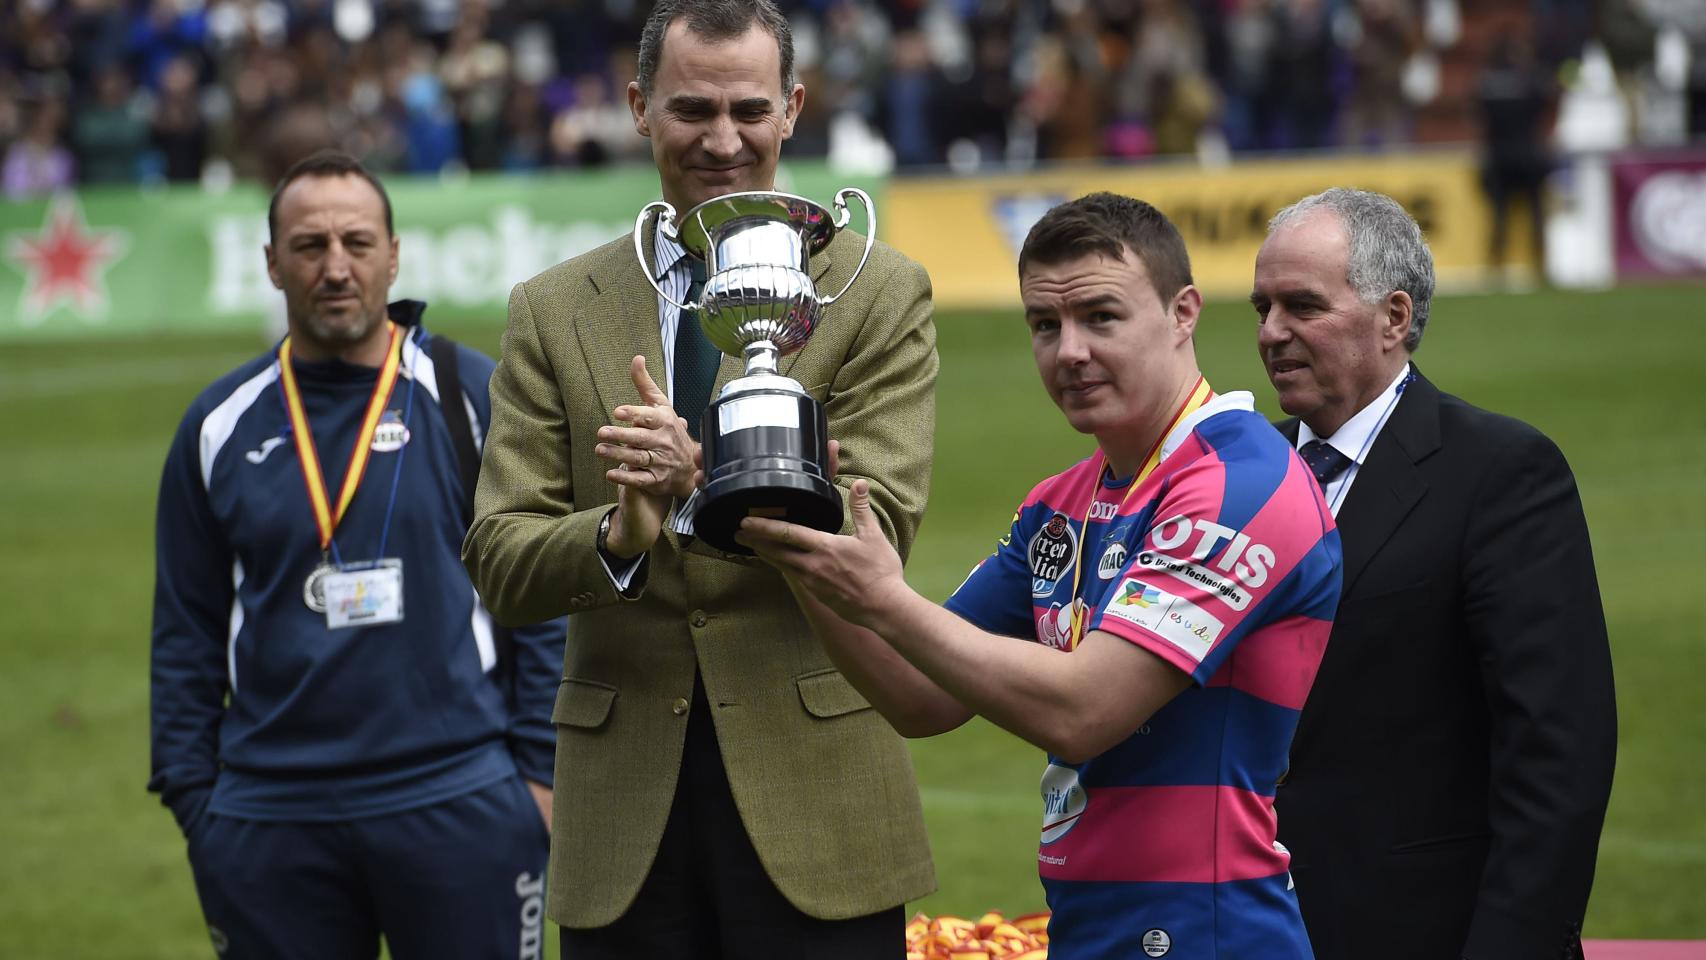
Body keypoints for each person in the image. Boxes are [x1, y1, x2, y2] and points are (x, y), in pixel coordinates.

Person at [739, 192, 1343, 960]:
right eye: (1044, 324)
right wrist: (798, 537)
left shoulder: (1241, 482)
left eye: (1101, 317)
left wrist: (887, 600)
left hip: (1208, 936)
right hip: (1093, 933)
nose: (1069, 352)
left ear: (1183, 312)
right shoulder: (1060, 506)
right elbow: (918, 695)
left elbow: (1085, 710)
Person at [459, 1, 938, 957]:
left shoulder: (876, 291)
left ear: (794, 108)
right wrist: (619, 535)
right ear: (639, 107)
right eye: (692, 110)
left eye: (749, 110)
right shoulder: (554, 310)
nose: (723, 139)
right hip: (623, 818)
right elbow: (499, 558)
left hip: (822, 803)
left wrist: (697, 483)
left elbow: (877, 524)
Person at [149, 151, 565, 960]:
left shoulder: (470, 397)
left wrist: (539, 787)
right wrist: (206, 813)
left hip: (460, 804)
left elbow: (541, 597)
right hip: (271, 820)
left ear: (394, 254)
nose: (335, 267)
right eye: (309, 246)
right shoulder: (219, 426)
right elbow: (184, 634)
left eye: (356, 242)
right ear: (271, 263)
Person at [1250, 187, 1617, 960]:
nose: (1271, 333)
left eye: (1302, 306)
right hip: (1248, 931)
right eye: (1263, 308)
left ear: (1394, 317)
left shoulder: (1502, 472)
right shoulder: (1240, 474)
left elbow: (1558, 752)